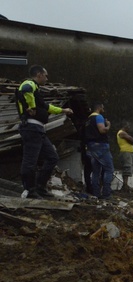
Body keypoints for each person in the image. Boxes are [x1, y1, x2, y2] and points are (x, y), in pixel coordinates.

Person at [15, 65, 74, 198]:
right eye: (45, 75)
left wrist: (63, 110)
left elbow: (47, 107)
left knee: (52, 157)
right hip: (31, 128)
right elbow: (25, 89)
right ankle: (29, 190)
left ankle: (40, 187)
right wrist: (31, 106)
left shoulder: (37, 91)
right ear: (39, 74)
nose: (47, 78)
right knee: (30, 161)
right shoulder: (30, 84)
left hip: (38, 130)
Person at [85, 102, 114, 199]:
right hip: (101, 146)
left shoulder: (88, 119)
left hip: (91, 147)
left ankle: (96, 194)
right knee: (109, 169)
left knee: (96, 171)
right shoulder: (99, 117)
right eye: (103, 107)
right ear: (99, 108)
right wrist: (108, 125)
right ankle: (106, 194)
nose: (104, 109)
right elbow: (102, 130)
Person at [116, 124, 133, 191]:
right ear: (125, 127)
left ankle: (125, 185)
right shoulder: (122, 132)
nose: (129, 130)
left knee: (127, 168)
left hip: (127, 152)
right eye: (128, 128)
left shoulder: (121, 132)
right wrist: (131, 138)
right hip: (126, 152)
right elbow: (132, 140)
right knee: (127, 167)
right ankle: (125, 185)